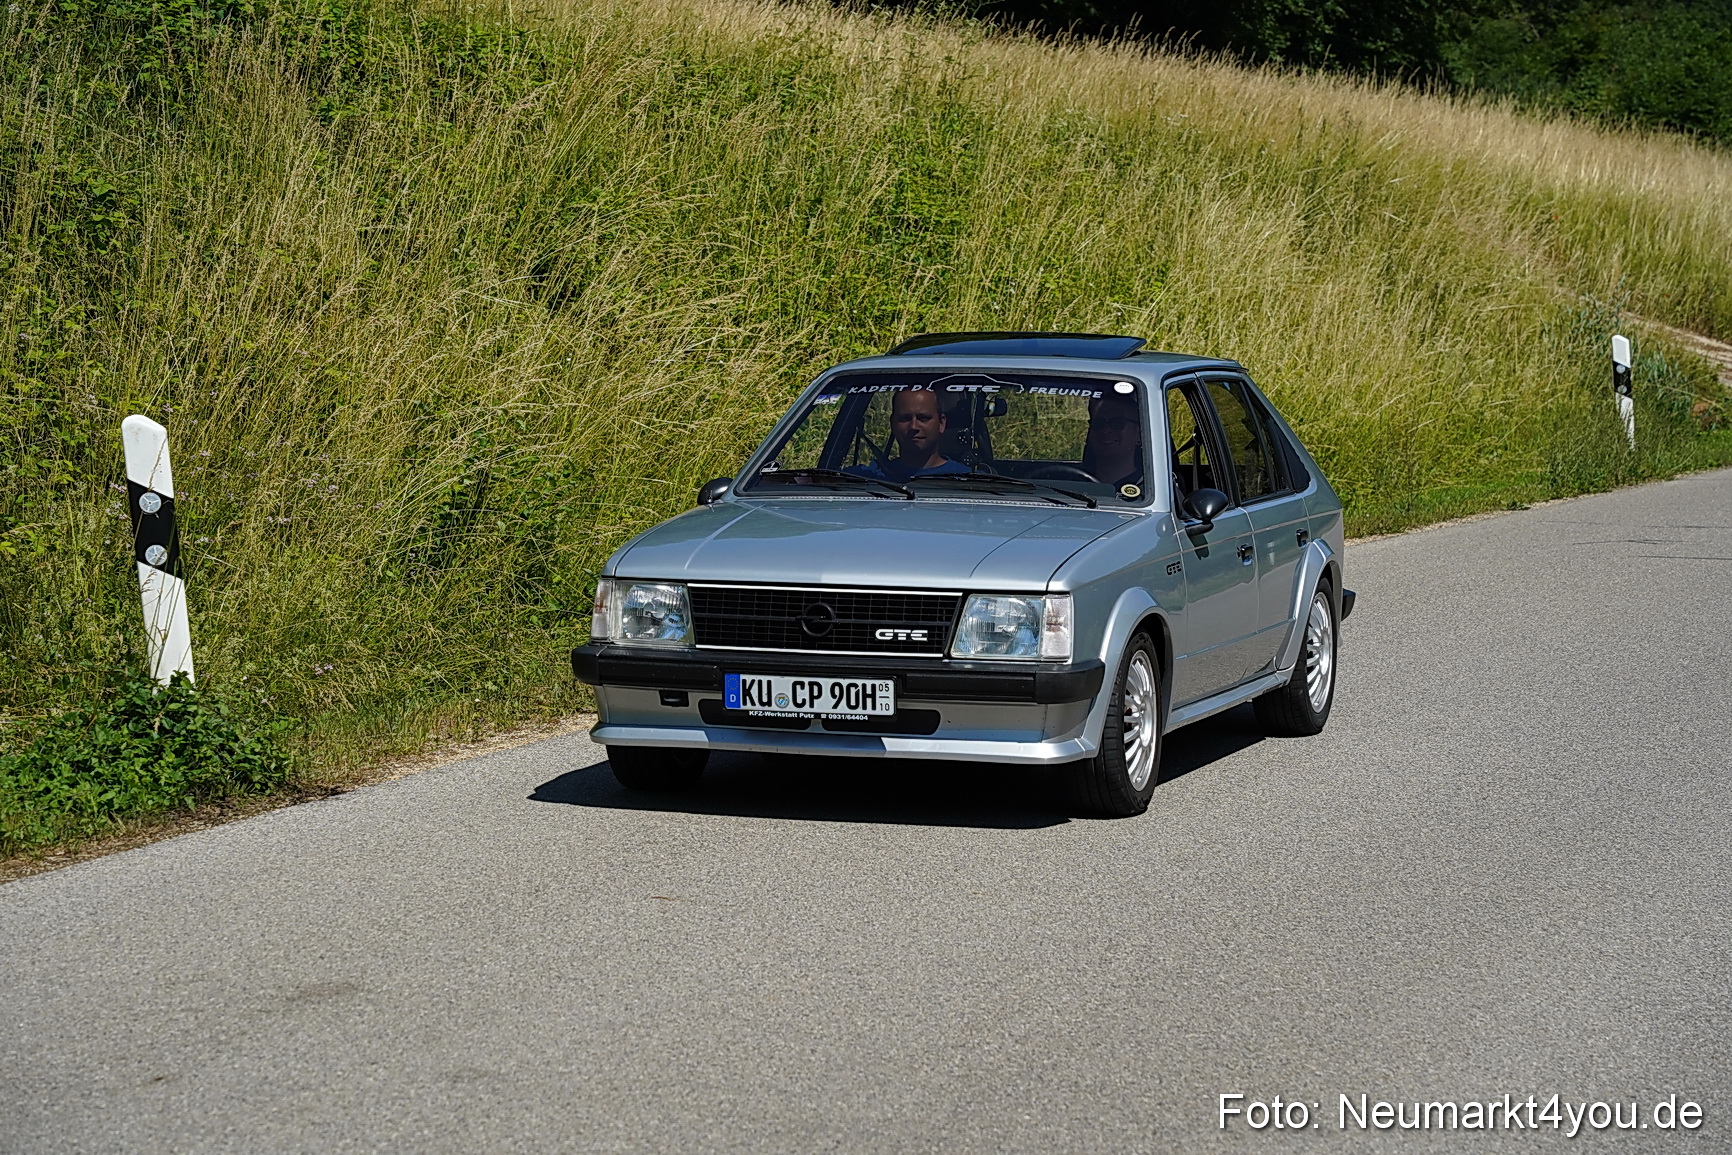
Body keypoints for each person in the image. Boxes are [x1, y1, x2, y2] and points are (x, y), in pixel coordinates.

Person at [855, 387, 972, 481]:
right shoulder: (865, 478)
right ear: (892, 423)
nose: (914, 426)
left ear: (941, 423)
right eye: (905, 418)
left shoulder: (969, 480)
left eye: (923, 418)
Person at [1081, 390, 1144, 490]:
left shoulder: (1151, 489)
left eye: (1118, 423)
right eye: (1098, 423)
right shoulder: (1069, 484)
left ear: (1139, 435)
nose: (1106, 430)